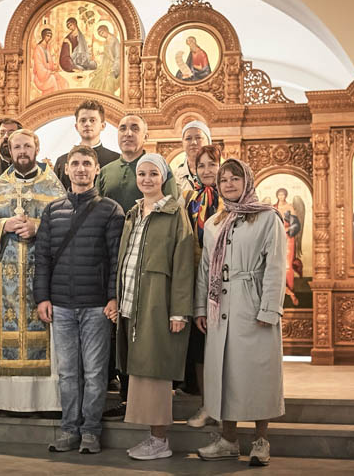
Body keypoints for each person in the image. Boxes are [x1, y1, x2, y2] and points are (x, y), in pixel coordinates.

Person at [195, 158, 286, 467]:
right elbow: (205, 269)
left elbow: (275, 266)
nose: (229, 184)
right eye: (224, 180)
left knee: (258, 374)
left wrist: (269, 309)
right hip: (220, 308)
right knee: (225, 375)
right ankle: (228, 440)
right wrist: (200, 308)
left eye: (235, 178)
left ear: (247, 180)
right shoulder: (214, 223)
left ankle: (261, 441)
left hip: (253, 305)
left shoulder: (266, 217)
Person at [34, 145, 124, 454]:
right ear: (67, 169)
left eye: (87, 163)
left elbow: (116, 261)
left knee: (96, 373)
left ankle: (90, 432)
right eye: (76, 163)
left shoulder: (111, 210)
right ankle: (69, 429)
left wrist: (112, 298)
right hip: (60, 304)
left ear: (96, 169)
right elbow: (42, 259)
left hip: (96, 306)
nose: (81, 168)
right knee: (68, 373)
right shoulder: (52, 210)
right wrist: (42, 297)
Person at [97, 114, 179, 420]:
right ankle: (124, 394)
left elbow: (173, 211)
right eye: (123, 128)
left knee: (146, 332)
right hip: (115, 260)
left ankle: (150, 402)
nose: (128, 133)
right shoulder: (106, 171)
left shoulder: (156, 168)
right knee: (120, 329)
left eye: (135, 129)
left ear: (145, 135)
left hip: (151, 261)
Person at [0, 129, 66, 413]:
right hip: (7, 276)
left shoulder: (52, 184)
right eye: (17, 147)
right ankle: (5, 401)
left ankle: (46, 402)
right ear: (9, 150)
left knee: (46, 334)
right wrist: (4, 225)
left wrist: (38, 227)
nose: (23, 151)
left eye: (27, 145)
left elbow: (66, 223)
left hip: (43, 274)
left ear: (36, 148)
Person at [116, 154, 194, 460]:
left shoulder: (175, 214)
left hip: (157, 304)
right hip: (131, 304)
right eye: (141, 173)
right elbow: (125, 260)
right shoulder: (133, 213)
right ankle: (153, 437)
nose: (146, 179)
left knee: (157, 372)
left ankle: (160, 440)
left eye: (153, 174)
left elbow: (184, 265)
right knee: (140, 372)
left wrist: (179, 311)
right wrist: (117, 299)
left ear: (163, 177)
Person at [182, 145, 223, 428]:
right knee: (199, 344)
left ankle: (226, 406)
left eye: (212, 164)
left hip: (223, 280)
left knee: (223, 346)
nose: (207, 170)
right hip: (195, 275)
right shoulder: (189, 198)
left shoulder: (231, 196)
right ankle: (206, 404)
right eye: (202, 165)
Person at [53, 100, 120, 190]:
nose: (87, 124)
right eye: (83, 120)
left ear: (103, 126)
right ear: (76, 126)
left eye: (92, 120)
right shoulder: (62, 161)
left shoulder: (116, 160)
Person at [174, 119, 212, 194]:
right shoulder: (174, 177)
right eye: (188, 138)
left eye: (198, 138)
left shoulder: (220, 174)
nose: (193, 142)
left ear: (208, 142)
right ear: (183, 143)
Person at [32, 28, 69, 96]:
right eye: (47, 36)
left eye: (50, 36)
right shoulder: (38, 48)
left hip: (49, 73)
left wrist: (54, 68)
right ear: (43, 36)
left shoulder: (47, 47)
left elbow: (49, 62)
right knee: (53, 81)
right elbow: (39, 66)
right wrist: (49, 72)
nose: (49, 38)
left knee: (63, 81)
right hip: (41, 76)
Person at [88, 25, 120, 94]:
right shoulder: (105, 42)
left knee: (108, 81)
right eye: (100, 34)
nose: (101, 35)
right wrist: (96, 72)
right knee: (94, 82)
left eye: (102, 33)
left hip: (114, 66)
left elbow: (118, 56)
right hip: (105, 66)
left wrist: (114, 70)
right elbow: (105, 59)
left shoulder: (114, 40)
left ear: (106, 30)